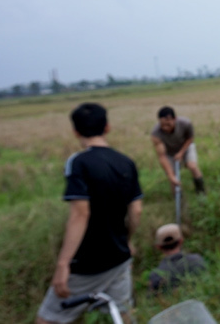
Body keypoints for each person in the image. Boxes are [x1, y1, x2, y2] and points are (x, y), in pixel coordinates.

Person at [36, 103, 143, 324]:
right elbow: (136, 210)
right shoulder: (125, 162)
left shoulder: (78, 162)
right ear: (108, 127)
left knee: (47, 319)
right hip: (120, 257)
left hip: (87, 263)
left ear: (75, 131)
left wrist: (63, 264)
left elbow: (80, 214)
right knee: (122, 315)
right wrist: (127, 241)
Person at [151, 106, 206, 194]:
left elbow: (190, 139)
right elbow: (162, 156)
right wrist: (171, 175)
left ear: (175, 119)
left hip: (186, 146)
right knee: (173, 176)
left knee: (192, 166)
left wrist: (181, 153)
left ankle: (201, 192)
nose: (165, 128)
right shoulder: (156, 133)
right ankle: (180, 200)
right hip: (169, 152)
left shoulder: (186, 123)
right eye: (162, 125)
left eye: (168, 124)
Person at [148, 223, 207, 293]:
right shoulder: (197, 260)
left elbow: (152, 300)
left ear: (158, 247)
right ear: (181, 240)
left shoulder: (155, 275)